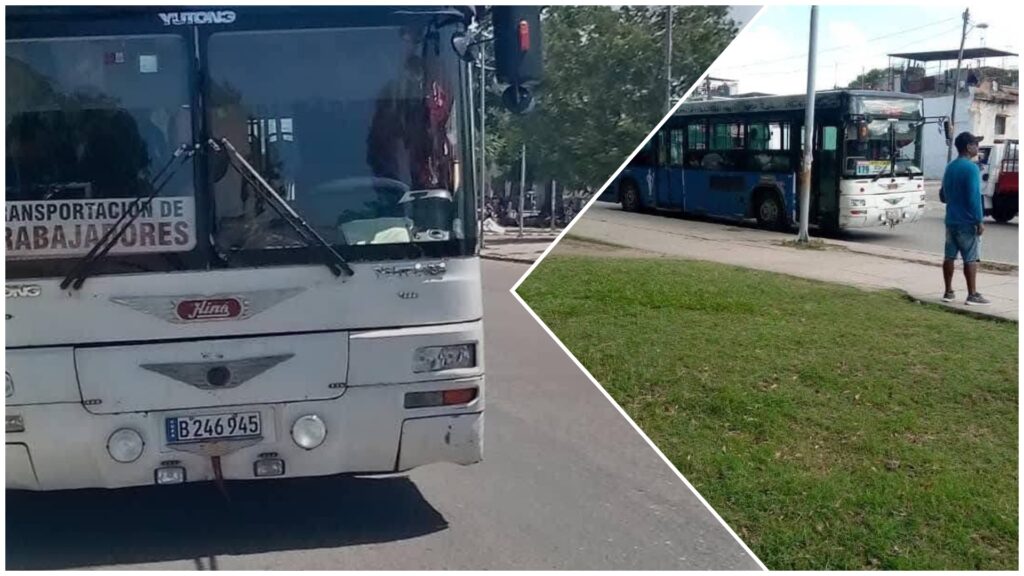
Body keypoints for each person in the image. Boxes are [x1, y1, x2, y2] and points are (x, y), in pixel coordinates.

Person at [941, 131, 989, 305]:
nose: (978, 147)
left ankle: (948, 292)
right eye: (976, 144)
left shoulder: (950, 167)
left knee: (949, 256)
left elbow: (943, 194)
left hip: (951, 219)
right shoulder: (971, 168)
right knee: (971, 258)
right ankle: (972, 294)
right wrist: (979, 220)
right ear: (968, 147)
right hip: (967, 221)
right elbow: (974, 197)